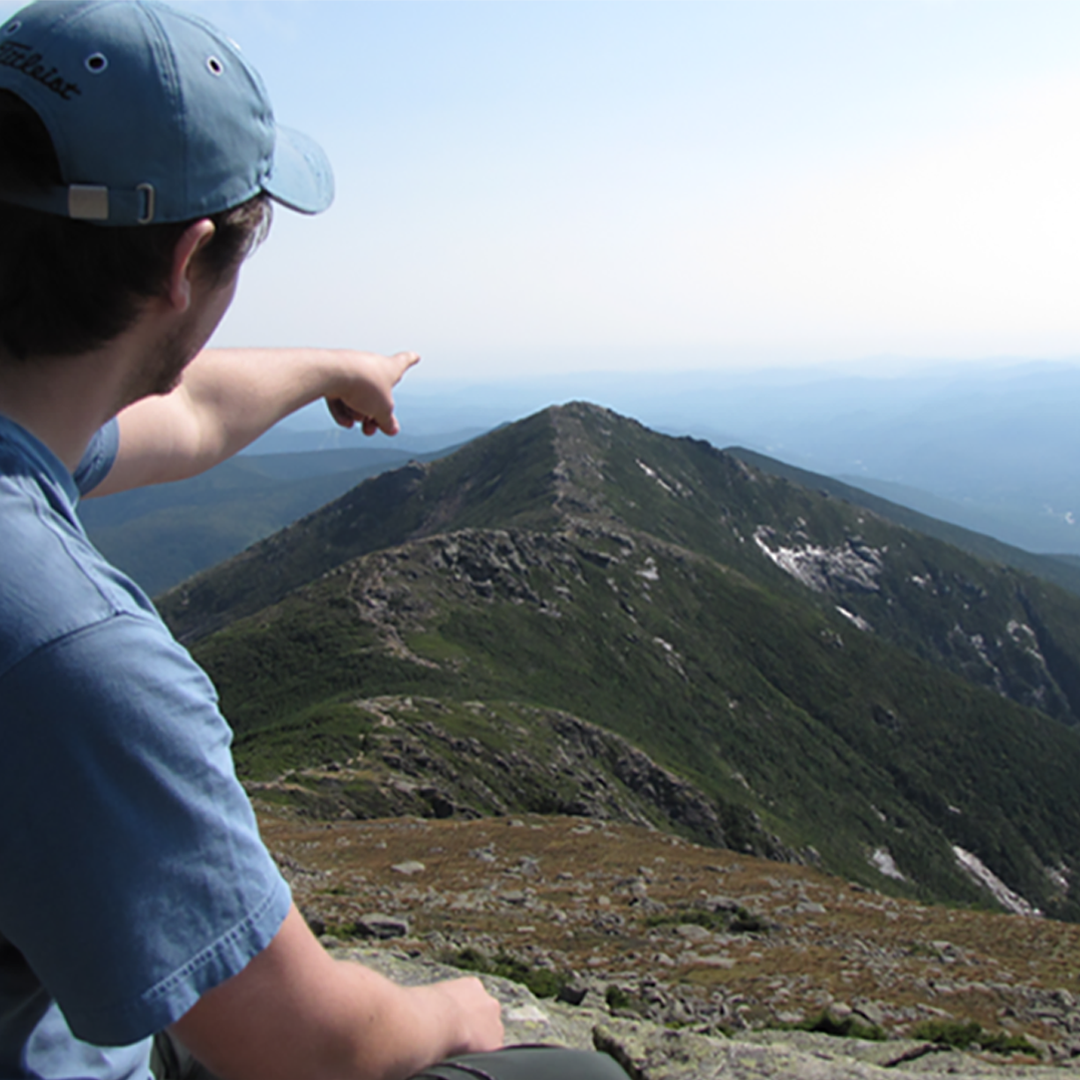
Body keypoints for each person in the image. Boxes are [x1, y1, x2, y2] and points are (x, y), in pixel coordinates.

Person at [0, 2, 505, 1078]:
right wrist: (457, 1009)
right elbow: (309, 1049)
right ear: (189, 261)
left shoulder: (24, 429)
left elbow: (188, 418)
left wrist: (332, 368)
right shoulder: (66, 654)